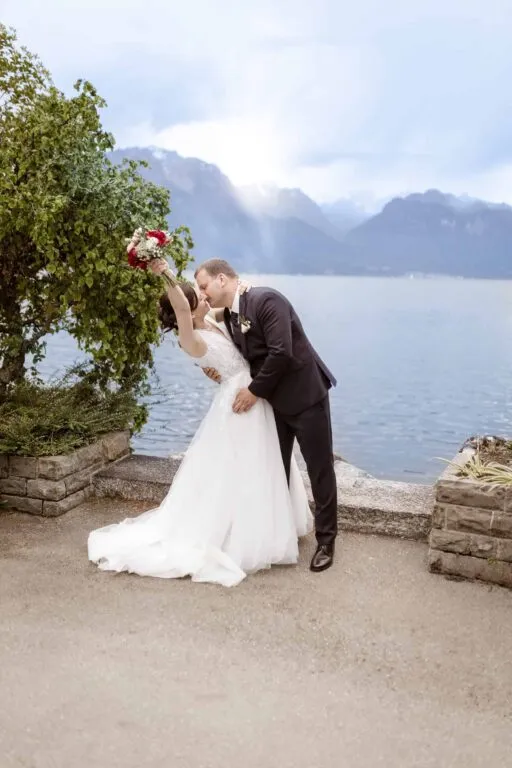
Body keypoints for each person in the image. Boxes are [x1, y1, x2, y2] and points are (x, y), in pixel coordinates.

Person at [88, 259, 312, 587]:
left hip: (252, 394)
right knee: (243, 469)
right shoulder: (190, 338)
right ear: (189, 305)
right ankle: (245, 538)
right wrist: (161, 271)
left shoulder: (211, 320)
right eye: (199, 294)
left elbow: (237, 310)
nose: (204, 295)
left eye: (203, 289)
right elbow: (180, 304)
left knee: (262, 465)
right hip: (239, 402)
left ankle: (268, 527)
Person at [194, 259, 338, 572]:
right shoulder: (231, 315)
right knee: (276, 467)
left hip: (306, 396)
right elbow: (245, 358)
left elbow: (281, 352)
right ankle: (281, 531)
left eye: (203, 286)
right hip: (274, 404)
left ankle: (327, 541)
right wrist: (220, 373)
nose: (202, 293)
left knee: (320, 468)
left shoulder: (266, 300)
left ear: (222, 279)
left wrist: (254, 391)